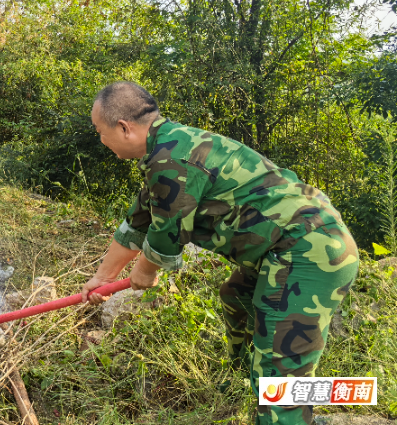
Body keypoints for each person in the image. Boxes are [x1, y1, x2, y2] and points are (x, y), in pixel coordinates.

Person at [81, 82, 358, 425]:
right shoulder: (168, 148)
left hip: (308, 249)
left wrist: (144, 272)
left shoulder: (171, 160)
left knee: (279, 377)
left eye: (99, 131)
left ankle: (287, 408)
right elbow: (137, 223)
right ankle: (250, 382)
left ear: (123, 127)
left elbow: (166, 235)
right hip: (282, 248)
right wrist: (103, 278)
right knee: (236, 297)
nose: (100, 140)